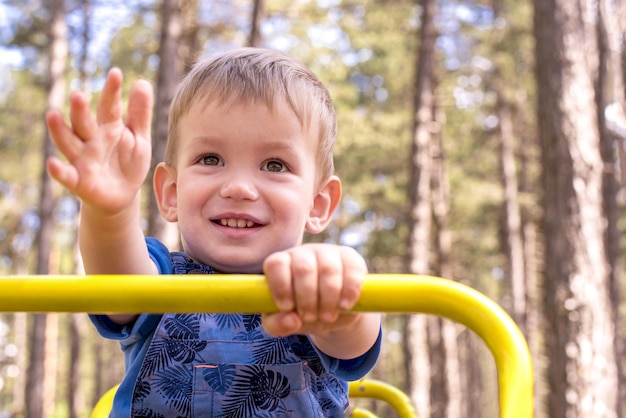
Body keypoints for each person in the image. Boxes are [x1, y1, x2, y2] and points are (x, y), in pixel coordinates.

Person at [45, 47, 382, 417]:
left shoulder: (312, 285)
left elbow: (352, 338)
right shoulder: (162, 282)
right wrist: (109, 211)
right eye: (210, 159)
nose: (238, 187)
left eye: (274, 164)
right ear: (172, 193)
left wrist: (339, 295)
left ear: (318, 204)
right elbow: (116, 284)